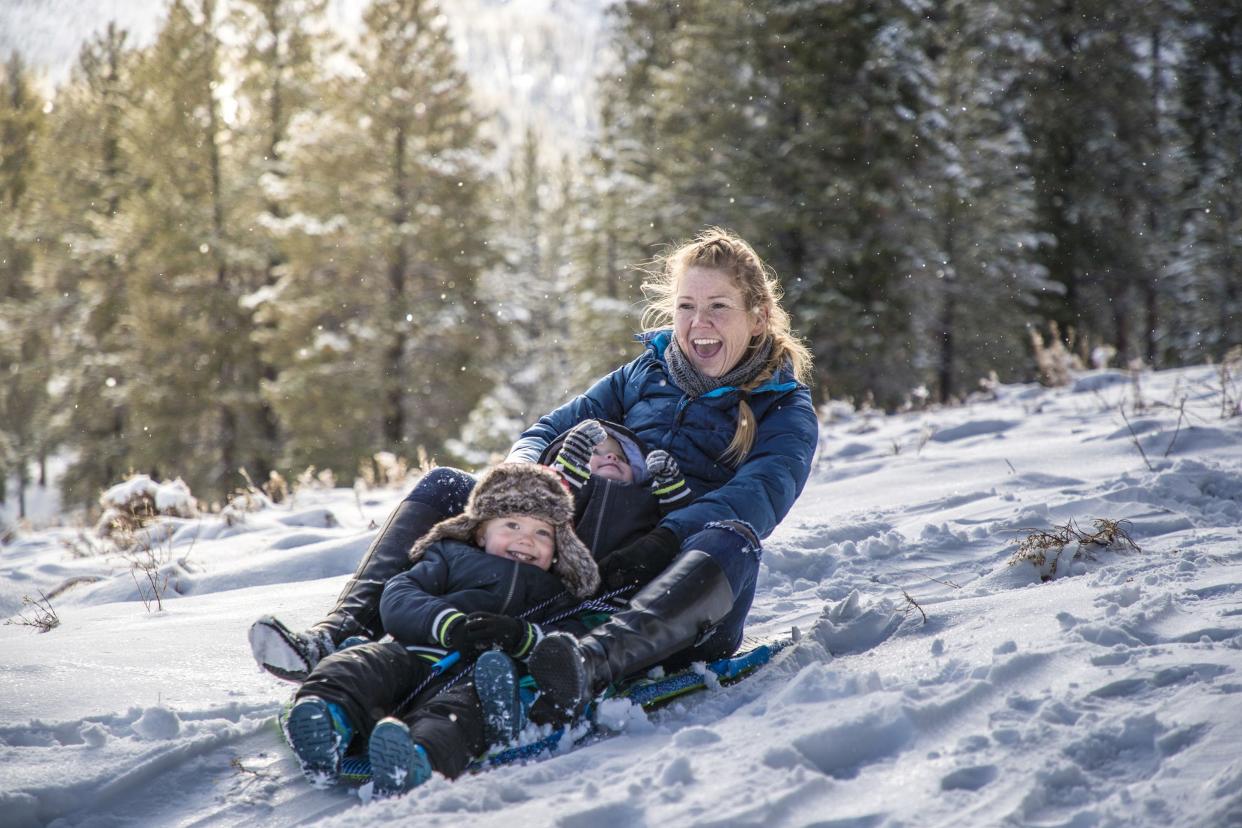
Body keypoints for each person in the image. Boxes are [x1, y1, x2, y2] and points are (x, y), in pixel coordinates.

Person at [517, 227, 818, 722]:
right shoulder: (643, 373)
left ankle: (587, 663)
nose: (699, 322)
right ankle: (352, 628)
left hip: (687, 597)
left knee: (734, 538)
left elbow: (757, 496)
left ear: (758, 317)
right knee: (447, 486)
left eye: (719, 306)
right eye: (686, 306)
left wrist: (665, 539)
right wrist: (520, 476)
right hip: (597, 555)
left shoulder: (784, 408)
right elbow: (550, 428)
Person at [248, 419, 687, 681]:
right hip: (520, 541)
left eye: (619, 457)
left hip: (575, 583)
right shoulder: (634, 374)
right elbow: (543, 431)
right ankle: (337, 634)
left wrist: (672, 507)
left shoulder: (642, 500)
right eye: (596, 454)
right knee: (445, 483)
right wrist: (539, 475)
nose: (608, 457)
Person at [283, 462, 599, 797]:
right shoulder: (450, 556)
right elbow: (399, 595)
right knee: (359, 664)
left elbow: (569, 641)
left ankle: (418, 758)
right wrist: (447, 624)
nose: (526, 539)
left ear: (558, 549)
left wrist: (520, 636)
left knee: (459, 716)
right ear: (480, 532)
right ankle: (327, 718)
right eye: (512, 524)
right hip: (413, 654)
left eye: (543, 533)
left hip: (480, 681)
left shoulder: (555, 591)